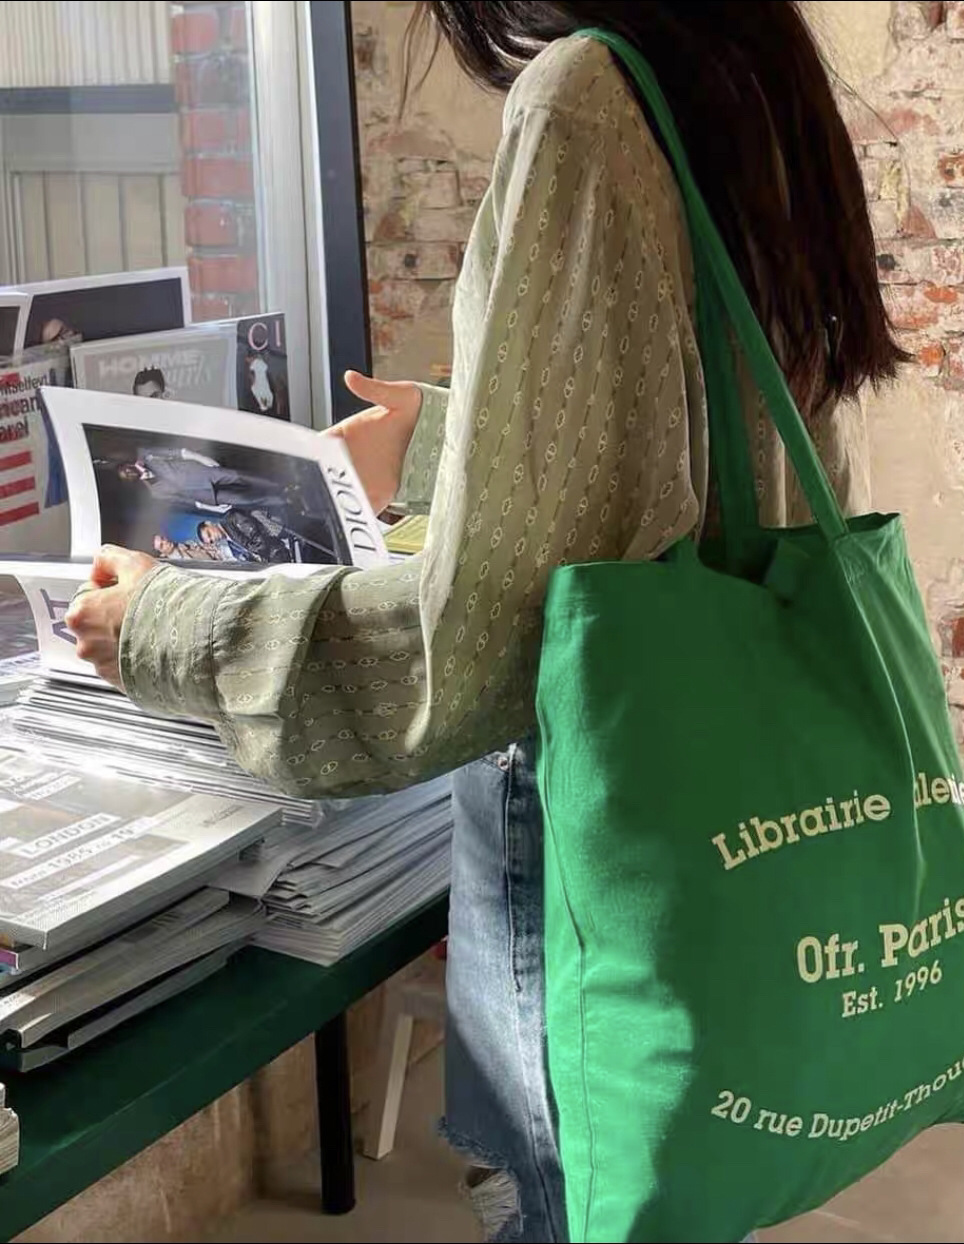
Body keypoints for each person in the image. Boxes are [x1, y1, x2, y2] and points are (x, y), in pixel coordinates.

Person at [65, 5, 904, 1239]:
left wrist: (165, 622)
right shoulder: (743, 61)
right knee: (664, 1168)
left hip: (590, 789)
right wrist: (449, 434)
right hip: (724, 747)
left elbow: (490, 633)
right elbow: (695, 434)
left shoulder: (585, 91)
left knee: (568, 1188)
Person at [114, 446, 291, 513]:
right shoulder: (155, 492)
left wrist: (202, 458)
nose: (130, 474)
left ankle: (283, 485)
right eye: (127, 477)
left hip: (202, 473)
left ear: (128, 465)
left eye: (127, 470)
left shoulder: (147, 455)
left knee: (241, 477)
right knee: (246, 500)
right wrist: (211, 508)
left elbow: (179, 452)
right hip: (204, 496)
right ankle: (284, 500)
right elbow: (185, 501)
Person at [197, 511, 292, 565]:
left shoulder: (232, 518)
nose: (213, 538)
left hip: (276, 552)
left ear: (209, 523)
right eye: (211, 541)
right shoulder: (231, 544)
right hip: (269, 561)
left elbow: (260, 540)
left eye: (209, 534)